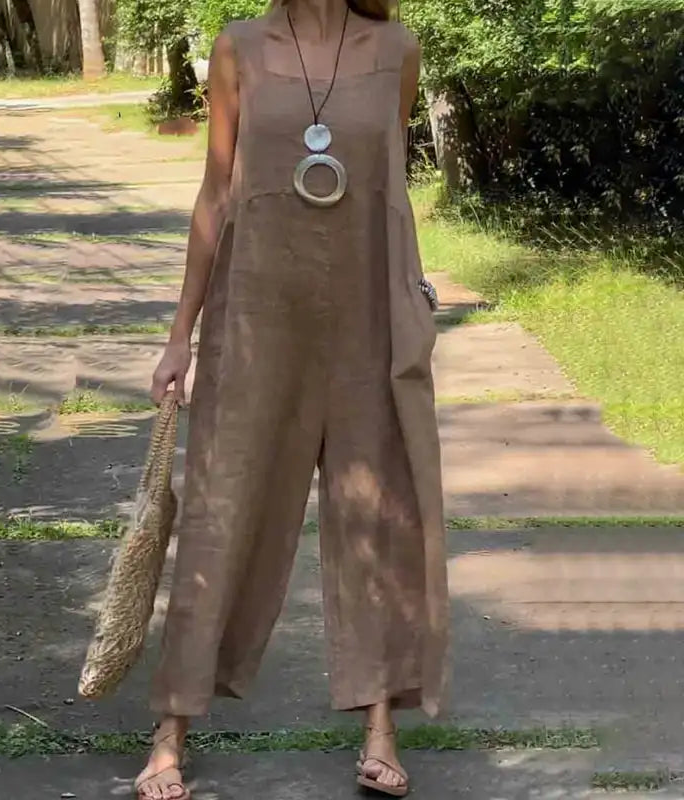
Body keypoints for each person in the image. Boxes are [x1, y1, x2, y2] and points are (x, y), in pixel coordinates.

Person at [138, 0, 449, 796]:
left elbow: (387, 191)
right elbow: (216, 193)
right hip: (254, 318)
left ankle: (381, 728)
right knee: (220, 513)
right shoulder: (239, 47)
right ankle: (170, 731)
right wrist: (180, 335)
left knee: (379, 515)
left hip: (367, 321)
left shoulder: (397, 49)